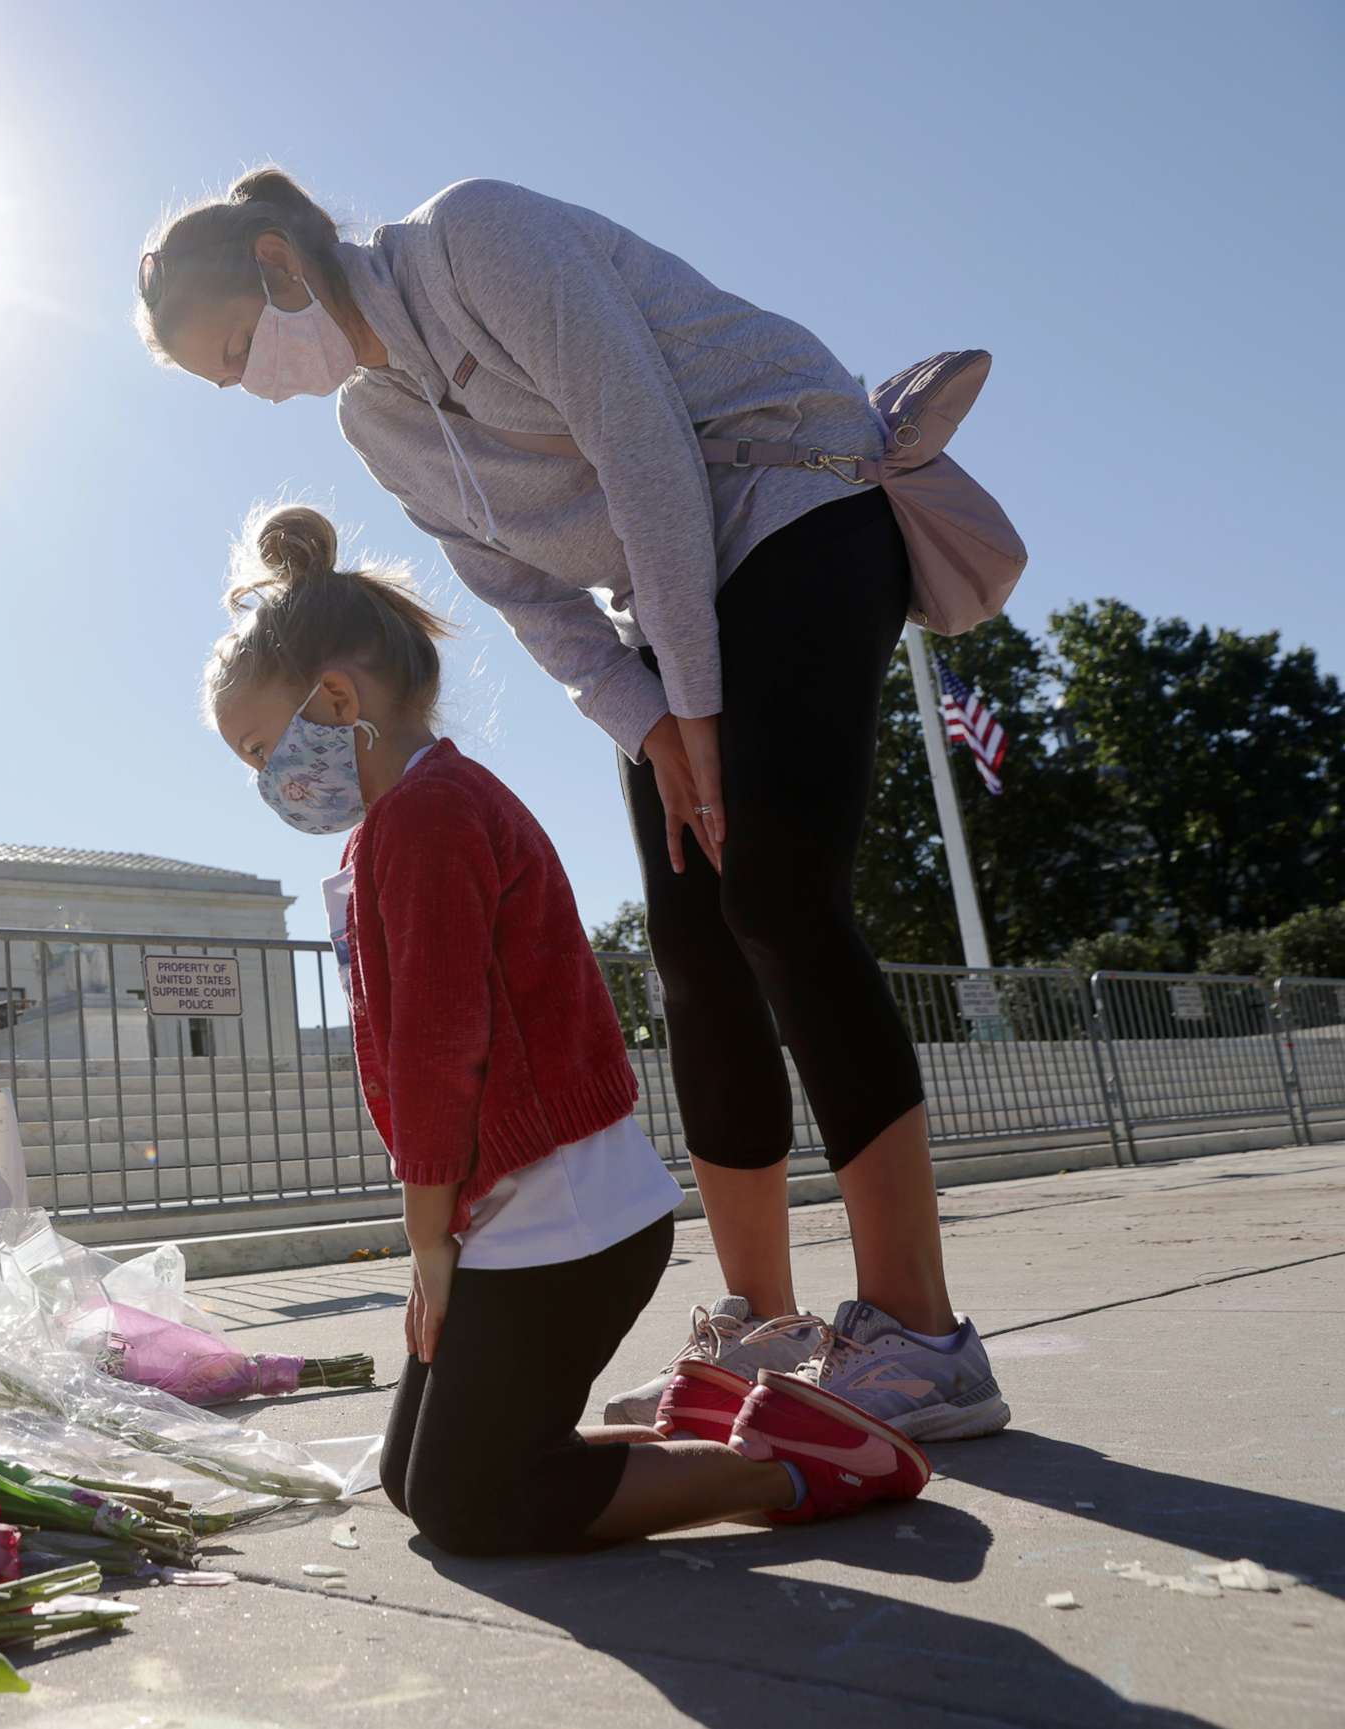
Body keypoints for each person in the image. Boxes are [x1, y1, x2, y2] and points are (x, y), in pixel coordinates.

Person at [139, 169, 1008, 1444]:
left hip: (794, 505)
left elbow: (642, 444)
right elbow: (522, 591)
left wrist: (696, 708)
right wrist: (653, 723)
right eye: (226, 385)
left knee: (770, 884)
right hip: (659, 614)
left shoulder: (476, 239)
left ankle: (923, 1335)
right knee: (695, 942)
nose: (251, 387)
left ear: (279, 266)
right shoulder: (374, 424)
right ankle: (757, 1323)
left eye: (233, 352)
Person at [204, 504, 929, 1551]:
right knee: (421, 1482)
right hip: (525, 1213)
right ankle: (732, 1429)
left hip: (568, 1221)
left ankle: (786, 1471)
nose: (265, 779)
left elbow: (440, 1045)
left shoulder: (429, 816)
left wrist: (425, 1234)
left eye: (263, 747)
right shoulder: (400, 823)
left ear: (336, 699)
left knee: (470, 1501)